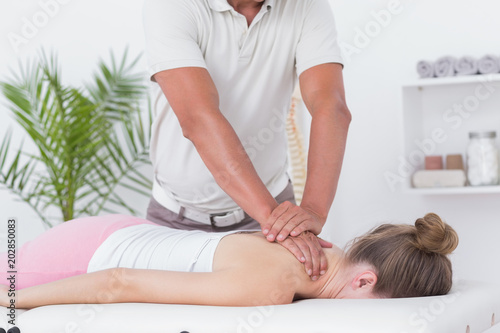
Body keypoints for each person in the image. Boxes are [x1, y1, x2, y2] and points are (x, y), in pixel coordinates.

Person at [142, 0, 351, 276]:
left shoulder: (306, 6)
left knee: (283, 314)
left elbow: (331, 108)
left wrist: (312, 211)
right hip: (177, 219)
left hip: (271, 213)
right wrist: (276, 223)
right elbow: (199, 118)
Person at [0, 213, 458, 308]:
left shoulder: (319, 245)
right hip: (80, 258)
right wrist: (13, 301)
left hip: (118, 227)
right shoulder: (272, 287)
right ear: (364, 282)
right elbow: (117, 283)